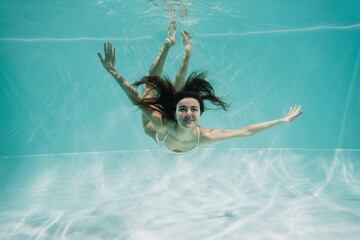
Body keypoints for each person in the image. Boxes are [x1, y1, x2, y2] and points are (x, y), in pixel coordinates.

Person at [97, 20, 303, 156]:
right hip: (159, 134)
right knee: (150, 83)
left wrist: (283, 120)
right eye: (183, 109)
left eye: (194, 109)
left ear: (201, 113)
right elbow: (134, 96)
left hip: (170, 133)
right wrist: (112, 71)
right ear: (175, 113)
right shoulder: (161, 123)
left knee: (162, 88)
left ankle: (182, 52)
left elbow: (246, 132)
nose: (189, 114)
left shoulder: (204, 136)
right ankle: (169, 45)